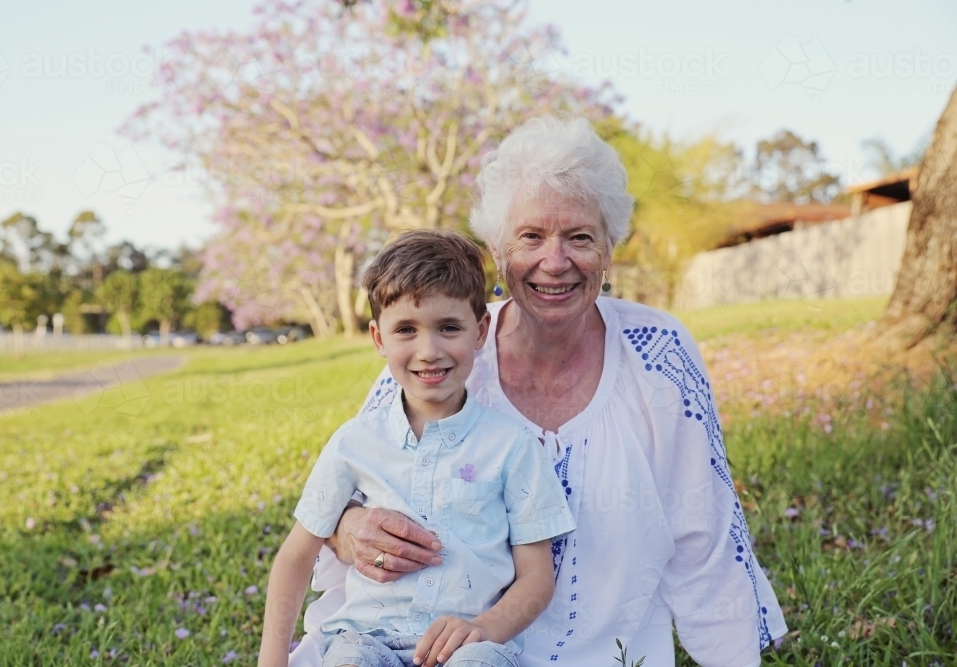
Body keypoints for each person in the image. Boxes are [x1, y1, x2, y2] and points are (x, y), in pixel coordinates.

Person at [287, 116, 788, 667]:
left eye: (579, 237)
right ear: (498, 251)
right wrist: (349, 528)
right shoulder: (442, 353)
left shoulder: (658, 353)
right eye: (531, 237)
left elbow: (705, 533)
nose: (555, 262)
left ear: (609, 249)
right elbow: (343, 496)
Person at [259, 231, 576, 667]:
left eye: (449, 327)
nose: (429, 351)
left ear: (480, 330)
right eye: (406, 329)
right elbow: (296, 556)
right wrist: (271, 661)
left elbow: (537, 579)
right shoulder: (355, 441)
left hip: (469, 646)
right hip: (366, 640)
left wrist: (486, 628)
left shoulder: (513, 447)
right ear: (378, 338)